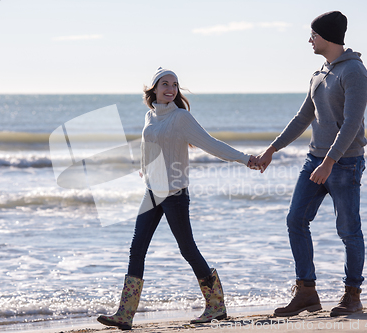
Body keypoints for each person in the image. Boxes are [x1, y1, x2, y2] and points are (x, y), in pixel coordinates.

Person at [97, 67, 257, 330]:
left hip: (175, 193)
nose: (170, 89)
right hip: (152, 192)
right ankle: (125, 314)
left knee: (187, 249)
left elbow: (210, 143)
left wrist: (244, 158)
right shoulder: (150, 116)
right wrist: (144, 168)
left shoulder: (181, 118)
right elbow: (146, 145)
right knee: (136, 249)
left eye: (174, 84)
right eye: (164, 84)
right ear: (154, 89)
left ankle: (216, 306)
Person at [254, 11, 367, 317]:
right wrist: (273, 148)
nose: (309, 40)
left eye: (313, 35)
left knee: (348, 230)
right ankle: (306, 292)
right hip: (314, 160)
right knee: (295, 220)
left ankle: (352, 295)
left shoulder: (355, 72)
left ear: (327, 36)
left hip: (344, 163)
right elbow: (303, 117)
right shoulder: (320, 73)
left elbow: (351, 125)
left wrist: (330, 161)